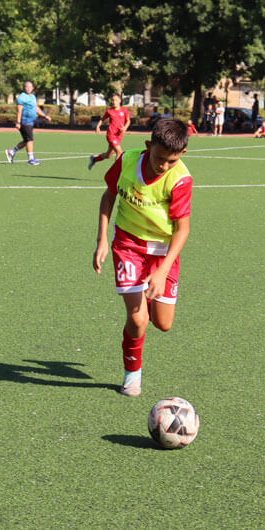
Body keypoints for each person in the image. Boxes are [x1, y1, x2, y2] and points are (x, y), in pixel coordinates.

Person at [92, 118, 192, 397]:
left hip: (163, 251)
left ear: (182, 154)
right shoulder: (126, 161)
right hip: (129, 244)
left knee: (163, 324)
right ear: (148, 146)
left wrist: (162, 271)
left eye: (172, 161)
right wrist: (102, 239)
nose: (164, 166)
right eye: (159, 158)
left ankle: (144, 292)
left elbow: (182, 230)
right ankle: (132, 373)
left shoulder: (181, 179)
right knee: (138, 319)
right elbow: (109, 196)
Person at [5, 81, 51, 166]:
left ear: (32, 88)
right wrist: (18, 122)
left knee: (26, 140)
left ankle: (11, 152)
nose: (29, 88)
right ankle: (31, 159)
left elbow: (36, 108)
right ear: (24, 88)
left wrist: (45, 116)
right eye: (27, 86)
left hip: (30, 122)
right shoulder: (22, 97)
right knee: (30, 140)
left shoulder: (33, 96)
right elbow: (19, 111)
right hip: (24, 122)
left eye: (30, 87)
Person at [88, 92, 131, 170]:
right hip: (111, 135)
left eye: (115, 100)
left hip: (119, 135)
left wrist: (125, 127)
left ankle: (94, 159)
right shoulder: (109, 111)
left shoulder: (124, 110)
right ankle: (116, 171)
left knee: (108, 155)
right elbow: (102, 119)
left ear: (120, 100)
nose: (113, 102)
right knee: (119, 152)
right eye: (112, 100)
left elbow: (128, 121)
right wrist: (98, 126)